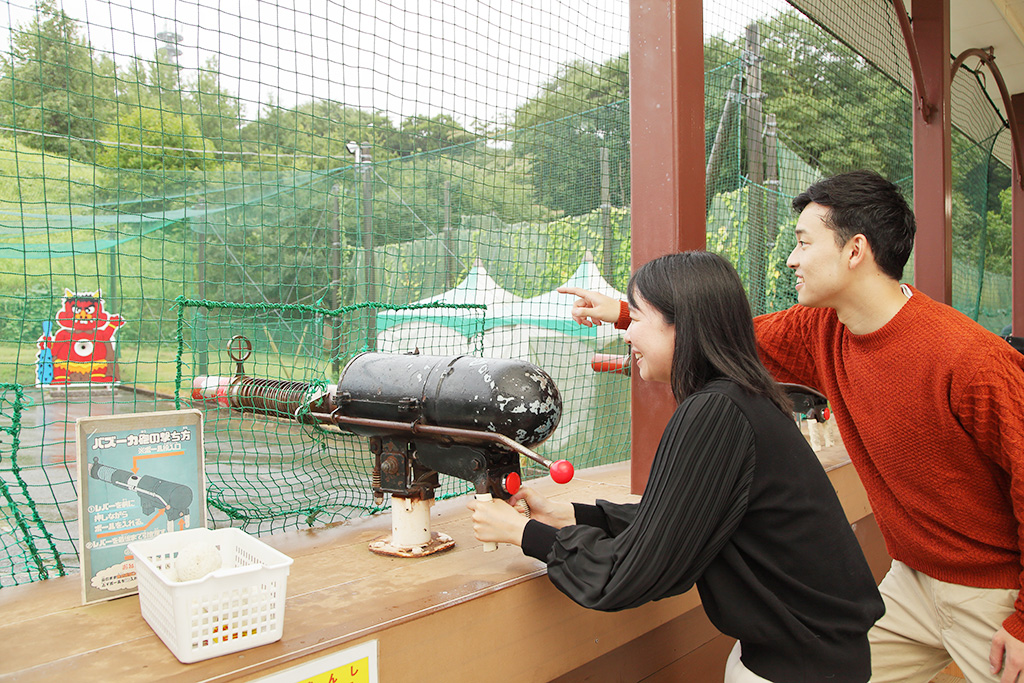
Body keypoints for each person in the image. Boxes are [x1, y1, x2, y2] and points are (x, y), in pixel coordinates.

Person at [561, 170, 1024, 682]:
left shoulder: (971, 360)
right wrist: (630, 315)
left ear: (855, 251)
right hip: (909, 582)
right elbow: (716, 339)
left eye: (804, 243)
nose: (791, 259)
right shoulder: (822, 329)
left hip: (994, 593)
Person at [469, 251, 885, 683]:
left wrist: (521, 534)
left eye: (638, 319)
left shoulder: (715, 411)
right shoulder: (744, 396)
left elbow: (630, 575)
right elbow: (685, 516)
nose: (627, 334)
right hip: (808, 658)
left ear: (684, 326)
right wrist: (570, 514)